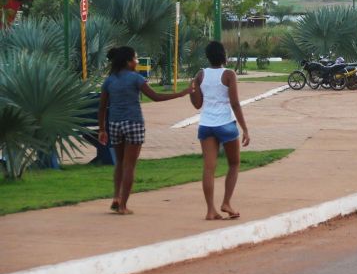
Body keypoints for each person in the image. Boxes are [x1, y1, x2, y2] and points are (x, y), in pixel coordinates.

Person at [98, 46, 193, 215]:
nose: (137, 61)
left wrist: (102, 129)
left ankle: (116, 197)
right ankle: (123, 206)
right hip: (133, 123)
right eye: (135, 58)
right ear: (128, 62)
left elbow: (102, 107)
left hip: (114, 124)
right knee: (129, 166)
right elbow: (156, 97)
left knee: (120, 163)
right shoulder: (136, 78)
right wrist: (180, 94)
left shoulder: (110, 80)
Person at [190, 41, 251, 220]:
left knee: (209, 168)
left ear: (208, 56)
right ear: (223, 55)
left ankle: (210, 210)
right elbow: (235, 103)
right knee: (234, 164)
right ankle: (226, 203)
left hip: (206, 124)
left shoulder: (200, 75)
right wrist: (245, 128)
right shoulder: (229, 74)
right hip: (225, 123)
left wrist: (192, 90)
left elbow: (197, 104)